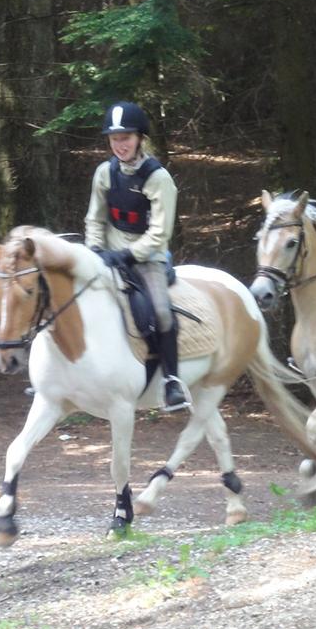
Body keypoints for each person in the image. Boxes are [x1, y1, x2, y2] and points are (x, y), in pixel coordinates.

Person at [84, 101, 189, 411]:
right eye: (115, 139)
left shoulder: (158, 178)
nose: (120, 145)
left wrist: (127, 255)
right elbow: (94, 218)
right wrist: (93, 250)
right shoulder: (104, 172)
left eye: (126, 138)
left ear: (140, 138)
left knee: (161, 311)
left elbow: (159, 234)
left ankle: (172, 381)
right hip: (108, 254)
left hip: (149, 258)